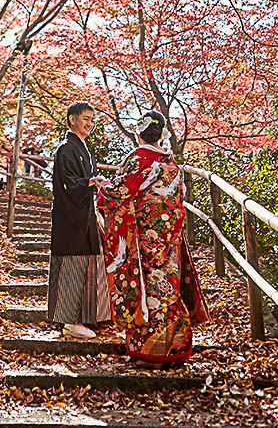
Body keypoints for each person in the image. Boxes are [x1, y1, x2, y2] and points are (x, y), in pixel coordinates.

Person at [98, 111, 209, 364]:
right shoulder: (171, 164)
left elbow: (120, 191)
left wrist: (101, 186)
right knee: (169, 284)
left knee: (146, 286)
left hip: (143, 235)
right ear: (162, 135)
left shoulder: (138, 159)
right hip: (169, 234)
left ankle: (148, 351)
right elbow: (178, 199)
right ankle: (175, 348)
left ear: (139, 134)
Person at [48, 101, 111, 339]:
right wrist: (90, 182)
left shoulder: (83, 148)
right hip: (70, 217)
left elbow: (83, 184)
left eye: (93, 120)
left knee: (87, 264)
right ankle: (69, 321)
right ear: (72, 118)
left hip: (85, 213)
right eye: (86, 118)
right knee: (72, 265)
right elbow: (69, 184)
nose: (90, 123)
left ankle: (84, 317)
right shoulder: (66, 149)